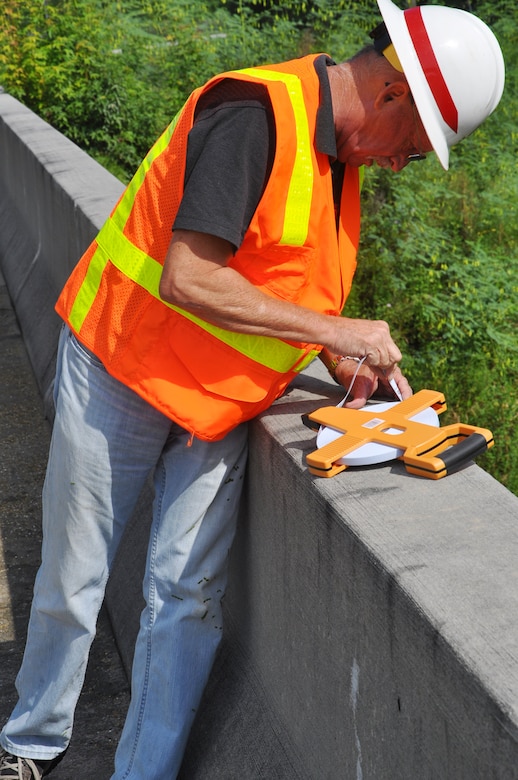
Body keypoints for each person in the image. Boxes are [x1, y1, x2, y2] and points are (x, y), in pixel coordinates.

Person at [0, 0, 504, 777]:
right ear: (394, 91)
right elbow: (190, 275)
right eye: (415, 143)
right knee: (76, 575)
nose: (405, 163)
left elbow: (288, 284)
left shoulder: (341, 162)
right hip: (124, 371)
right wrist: (341, 333)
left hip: (218, 406)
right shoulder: (255, 115)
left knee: (186, 601)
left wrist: (334, 354)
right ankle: (30, 748)